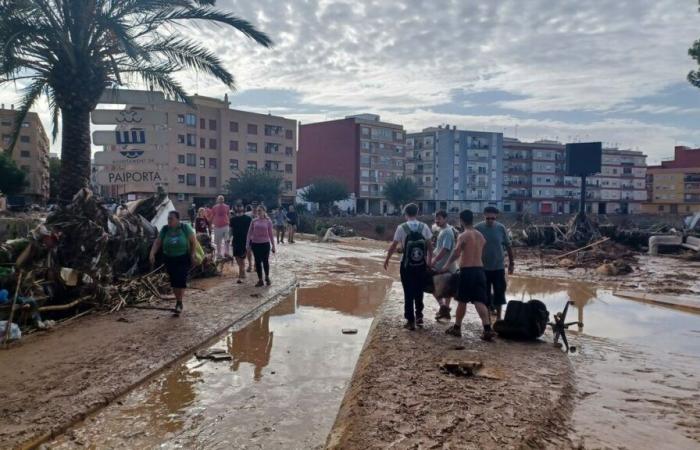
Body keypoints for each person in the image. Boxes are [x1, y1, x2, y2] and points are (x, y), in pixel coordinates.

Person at [442, 209, 495, 341]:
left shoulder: (464, 235)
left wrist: (447, 265)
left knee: (462, 300)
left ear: (461, 220)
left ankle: (457, 328)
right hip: (480, 270)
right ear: (472, 219)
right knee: (479, 301)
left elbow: (456, 252)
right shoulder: (480, 236)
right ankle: (487, 329)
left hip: (467, 271)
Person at [383, 203, 433, 331]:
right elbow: (429, 246)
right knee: (419, 290)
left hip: (406, 265)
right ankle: (419, 316)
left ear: (405, 213)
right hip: (421, 264)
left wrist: (387, 259)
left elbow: (394, 245)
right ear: (417, 213)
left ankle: (410, 321)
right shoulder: (424, 227)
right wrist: (429, 261)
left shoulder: (401, 227)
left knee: (408, 292)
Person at [149, 211, 197, 316]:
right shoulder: (165, 229)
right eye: (168, 218)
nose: (169, 221)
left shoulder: (185, 228)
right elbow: (158, 242)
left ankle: (179, 302)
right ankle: (178, 300)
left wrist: (193, 255)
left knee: (181, 279)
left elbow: (193, 242)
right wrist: (152, 253)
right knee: (174, 281)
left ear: (178, 219)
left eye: (171, 218)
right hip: (169, 258)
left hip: (183, 258)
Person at [475, 206, 514, 320]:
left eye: (493, 218)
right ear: (484, 216)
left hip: (498, 267)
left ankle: (499, 317)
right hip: (482, 268)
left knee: (499, 294)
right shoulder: (478, 228)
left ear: (496, 217)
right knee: (484, 295)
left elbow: (508, 246)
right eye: (488, 218)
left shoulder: (501, 228)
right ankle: (486, 318)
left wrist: (512, 263)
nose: (490, 220)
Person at [430, 210, 458, 321]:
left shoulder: (447, 232)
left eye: (439, 218)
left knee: (432, 286)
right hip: (445, 265)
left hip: (444, 265)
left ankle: (443, 308)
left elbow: (445, 249)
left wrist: (434, 260)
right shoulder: (442, 229)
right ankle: (444, 309)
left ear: (445, 219)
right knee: (445, 288)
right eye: (436, 218)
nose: (437, 221)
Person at [247, 205, 276, 287]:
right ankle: (260, 280)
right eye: (258, 210)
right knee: (257, 262)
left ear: (264, 211)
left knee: (265, 261)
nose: (259, 212)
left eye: (260, 210)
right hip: (255, 244)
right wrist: (247, 244)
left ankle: (267, 277)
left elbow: (271, 234)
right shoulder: (254, 221)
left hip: (265, 244)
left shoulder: (268, 221)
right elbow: (249, 233)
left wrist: (273, 246)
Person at [230, 204, 252, 284]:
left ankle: (241, 274)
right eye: (237, 207)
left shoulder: (248, 219)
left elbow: (251, 230)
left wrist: (251, 240)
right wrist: (228, 239)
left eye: (240, 207)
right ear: (235, 209)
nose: (239, 208)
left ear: (243, 209)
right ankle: (242, 271)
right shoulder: (232, 219)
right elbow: (231, 230)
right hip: (235, 240)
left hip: (245, 241)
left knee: (242, 258)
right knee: (236, 257)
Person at [211, 195, 231, 259]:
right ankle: (219, 254)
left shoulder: (227, 207)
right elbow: (212, 216)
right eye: (219, 199)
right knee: (218, 241)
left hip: (225, 225)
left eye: (222, 199)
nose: (221, 200)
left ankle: (226, 253)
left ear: (223, 200)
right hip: (217, 226)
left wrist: (230, 224)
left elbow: (228, 215)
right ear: (217, 200)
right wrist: (210, 225)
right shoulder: (214, 207)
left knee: (227, 240)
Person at [244, 205, 254, 272]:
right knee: (256, 251)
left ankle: (250, 265)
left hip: (247, 234)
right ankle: (256, 266)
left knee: (248, 250)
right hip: (255, 235)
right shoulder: (255, 214)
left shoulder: (245, 214)